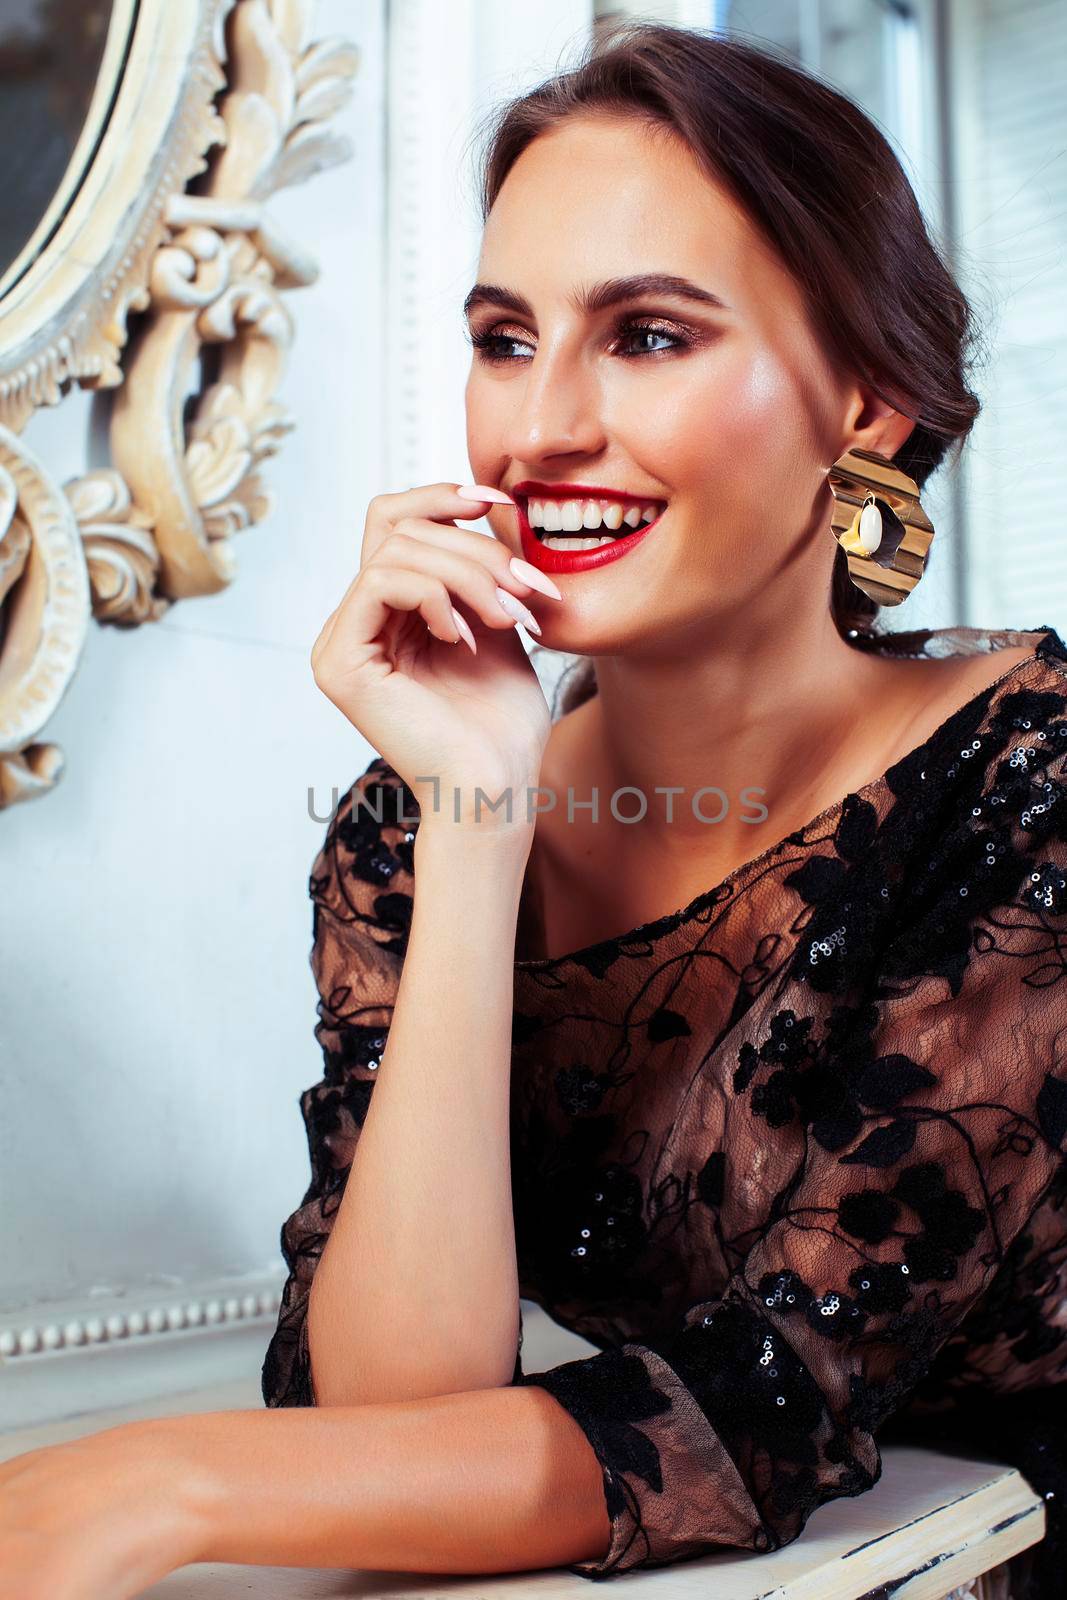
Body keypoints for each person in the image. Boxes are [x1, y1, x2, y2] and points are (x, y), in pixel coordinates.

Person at [3, 21, 1065, 1600]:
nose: (540, 426)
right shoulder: (414, 811)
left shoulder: (1026, 780)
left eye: (646, 337)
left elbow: (768, 1410)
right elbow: (375, 1424)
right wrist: (480, 817)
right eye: (506, 338)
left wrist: (156, 1478)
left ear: (865, 407)